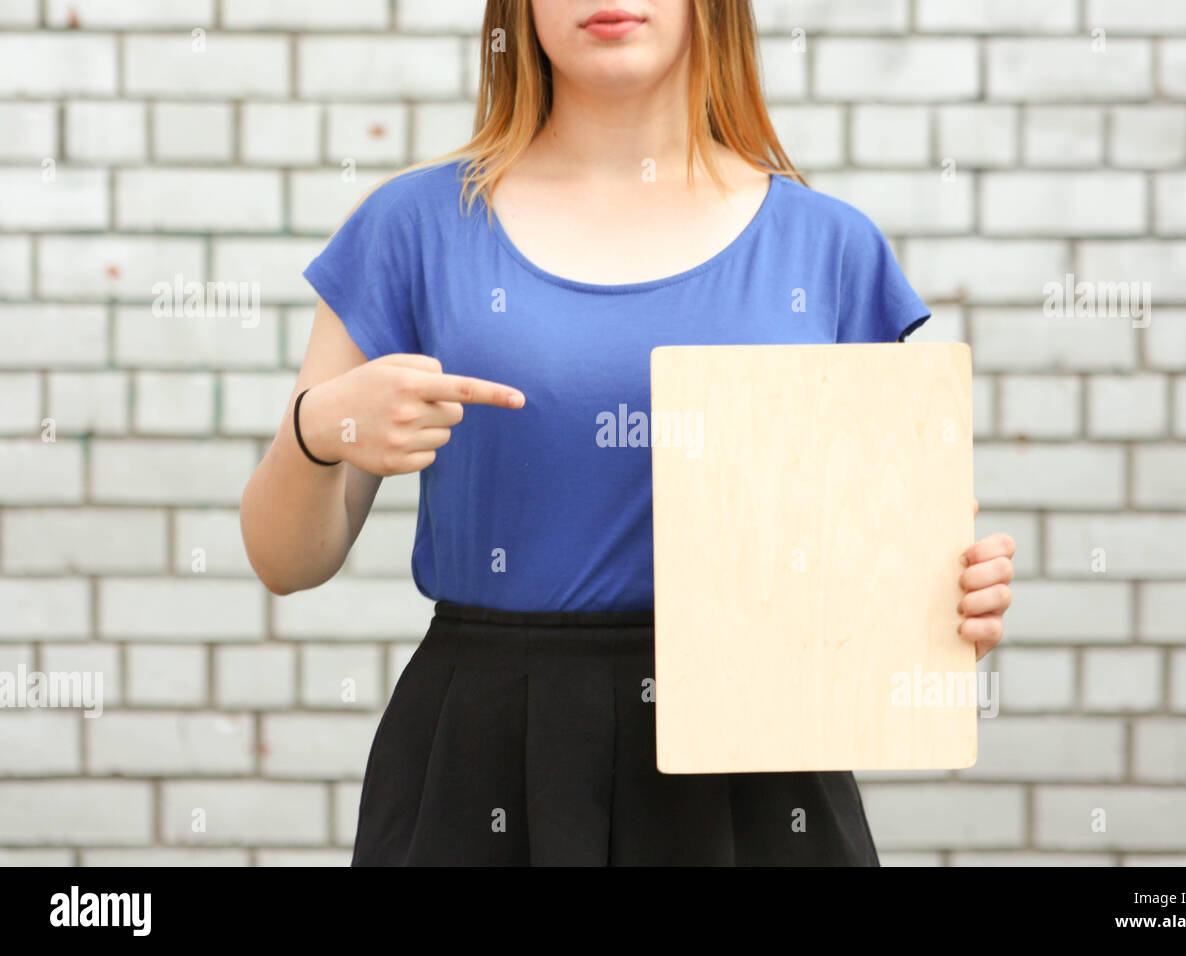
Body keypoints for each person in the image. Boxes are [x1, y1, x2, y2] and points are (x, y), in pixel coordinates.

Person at [240, 0, 1015, 866]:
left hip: (755, 769)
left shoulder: (827, 247)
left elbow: (881, 566)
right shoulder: (410, 226)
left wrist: (946, 606)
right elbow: (283, 560)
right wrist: (320, 430)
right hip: (484, 759)